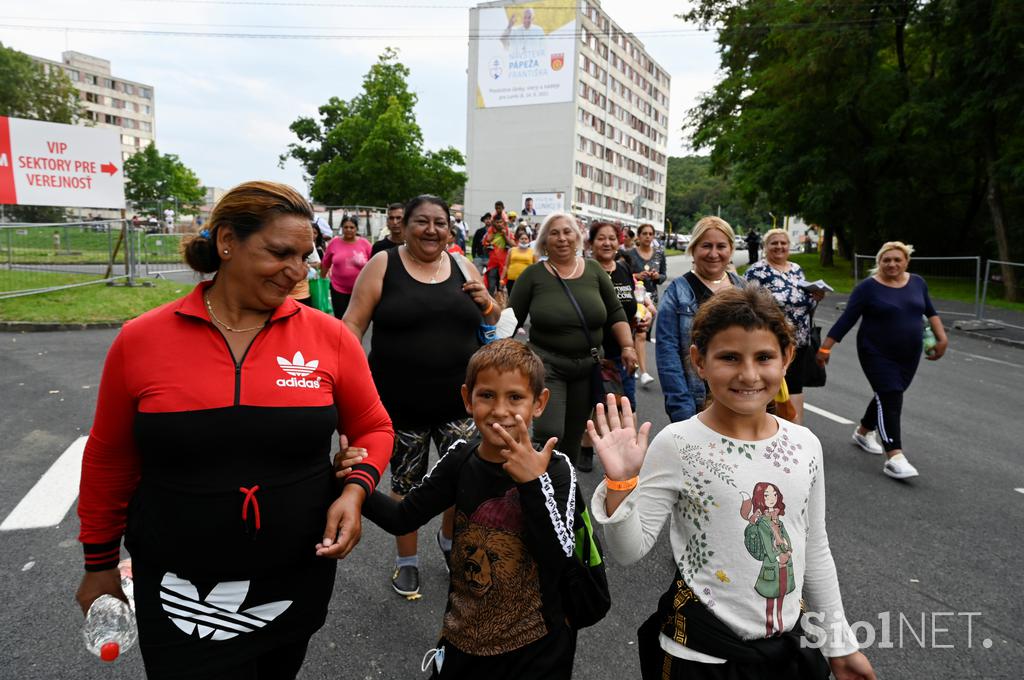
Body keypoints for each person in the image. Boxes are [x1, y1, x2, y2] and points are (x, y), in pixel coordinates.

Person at [75, 181, 394, 680]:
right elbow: (109, 458)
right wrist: (99, 564)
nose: (298, 270)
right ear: (227, 241)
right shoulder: (141, 340)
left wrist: (356, 489)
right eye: (279, 252)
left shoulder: (328, 337)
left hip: (292, 579)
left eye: (306, 255)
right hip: (179, 586)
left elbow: (374, 426)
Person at [588, 287, 876, 680]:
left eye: (763, 357)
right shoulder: (678, 443)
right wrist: (620, 485)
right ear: (699, 362)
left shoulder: (804, 444)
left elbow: (814, 545)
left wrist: (838, 642)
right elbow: (628, 551)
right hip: (701, 654)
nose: (748, 374)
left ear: (787, 358)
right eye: (728, 357)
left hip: (788, 646)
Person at [341, 340, 578, 678]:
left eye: (515, 397)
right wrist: (350, 481)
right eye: (486, 396)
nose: (499, 410)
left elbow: (560, 561)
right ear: (468, 399)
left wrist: (531, 483)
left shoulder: (555, 468)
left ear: (538, 403)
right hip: (463, 639)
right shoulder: (461, 458)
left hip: (535, 652)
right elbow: (402, 517)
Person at [344, 194, 502, 597]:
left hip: (459, 406)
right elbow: (351, 328)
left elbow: (492, 317)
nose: (431, 230)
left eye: (440, 222)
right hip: (400, 406)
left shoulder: (463, 265)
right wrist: (346, 391)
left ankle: (449, 542)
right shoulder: (384, 264)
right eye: (422, 222)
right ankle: (406, 561)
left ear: (450, 229)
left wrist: (489, 306)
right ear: (404, 225)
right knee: (407, 485)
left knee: (459, 482)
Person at [509, 212, 638, 467]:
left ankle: (563, 493)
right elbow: (510, 320)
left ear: (577, 238)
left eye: (567, 232)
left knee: (574, 435)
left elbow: (614, 311)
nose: (562, 238)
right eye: (554, 233)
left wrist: (627, 346)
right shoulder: (533, 275)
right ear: (544, 241)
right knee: (550, 433)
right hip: (548, 365)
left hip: (587, 366)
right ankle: (537, 490)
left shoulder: (593, 270)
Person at [817, 241, 947, 480]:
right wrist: (826, 348)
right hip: (875, 351)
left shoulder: (917, 282)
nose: (892, 264)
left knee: (888, 394)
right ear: (879, 262)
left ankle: (863, 431)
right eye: (886, 260)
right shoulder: (867, 288)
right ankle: (894, 456)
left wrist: (942, 338)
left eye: (897, 259)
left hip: (910, 353)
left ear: (906, 261)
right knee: (890, 395)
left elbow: (930, 311)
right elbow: (847, 319)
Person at [656, 216, 745, 423]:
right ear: (693, 249)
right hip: (698, 402)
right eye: (706, 246)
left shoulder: (744, 288)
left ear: (731, 249)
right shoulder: (677, 292)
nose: (714, 254)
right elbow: (668, 355)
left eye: (721, 246)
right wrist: (681, 409)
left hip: (741, 397)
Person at [743, 229, 825, 424]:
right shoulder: (756, 271)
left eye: (783, 243)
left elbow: (805, 304)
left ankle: (795, 434)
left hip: (798, 341)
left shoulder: (796, 269)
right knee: (769, 387)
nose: (779, 247)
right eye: (774, 243)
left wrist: (817, 299)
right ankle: (764, 429)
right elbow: (746, 304)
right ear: (765, 247)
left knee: (795, 386)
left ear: (789, 246)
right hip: (769, 342)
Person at [624, 223, 666, 388]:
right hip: (635, 297)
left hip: (652, 297)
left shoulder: (659, 254)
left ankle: (634, 364)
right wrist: (637, 275)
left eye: (651, 234)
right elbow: (624, 274)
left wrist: (656, 276)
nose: (648, 237)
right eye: (645, 234)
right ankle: (643, 371)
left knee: (641, 333)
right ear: (639, 237)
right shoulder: (630, 254)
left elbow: (664, 276)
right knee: (638, 333)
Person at [321, 214, 371, 319]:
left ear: (356, 229)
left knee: (357, 320)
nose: (348, 230)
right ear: (342, 228)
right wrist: (322, 279)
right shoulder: (334, 242)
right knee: (341, 319)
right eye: (346, 227)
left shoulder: (365, 244)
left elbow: (373, 265)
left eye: (352, 227)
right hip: (338, 289)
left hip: (359, 290)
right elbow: (326, 263)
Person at [483, 212, 513, 294]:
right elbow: (484, 247)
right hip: (492, 265)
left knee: (502, 289)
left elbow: (514, 245)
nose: (499, 224)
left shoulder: (507, 232)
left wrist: (505, 236)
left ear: (503, 222)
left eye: (501, 222)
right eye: (497, 222)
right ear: (493, 223)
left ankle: (502, 305)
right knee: (491, 288)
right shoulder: (490, 232)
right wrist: (489, 242)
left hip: (503, 265)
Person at [505, 225, 537, 295]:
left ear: (529, 240)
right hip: (511, 280)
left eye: (526, 239)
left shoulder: (533, 252)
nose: (524, 240)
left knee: (524, 299)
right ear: (518, 240)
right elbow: (506, 266)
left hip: (526, 280)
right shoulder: (511, 250)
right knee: (511, 299)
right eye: (522, 239)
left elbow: (536, 268)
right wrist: (501, 280)